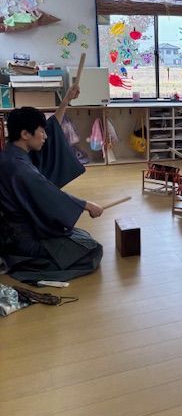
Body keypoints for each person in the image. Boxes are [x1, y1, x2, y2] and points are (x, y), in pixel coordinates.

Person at [0, 97, 104, 282]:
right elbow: (49, 195)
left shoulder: (11, 154)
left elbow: (51, 129)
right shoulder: (20, 168)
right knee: (92, 249)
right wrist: (86, 205)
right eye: (41, 131)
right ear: (25, 134)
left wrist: (66, 101)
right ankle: (24, 263)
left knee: (81, 236)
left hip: (16, 230)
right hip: (25, 239)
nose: (45, 136)